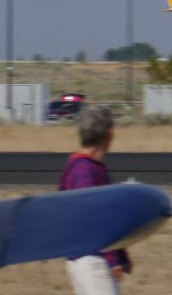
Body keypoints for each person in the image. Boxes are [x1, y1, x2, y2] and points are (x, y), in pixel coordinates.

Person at [59, 106, 131, 295]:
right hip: (92, 261)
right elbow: (94, 218)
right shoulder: (84, 170)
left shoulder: (84, 167)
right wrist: (113, 259)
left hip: (89, 259)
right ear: (109, 134)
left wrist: (121, 255)